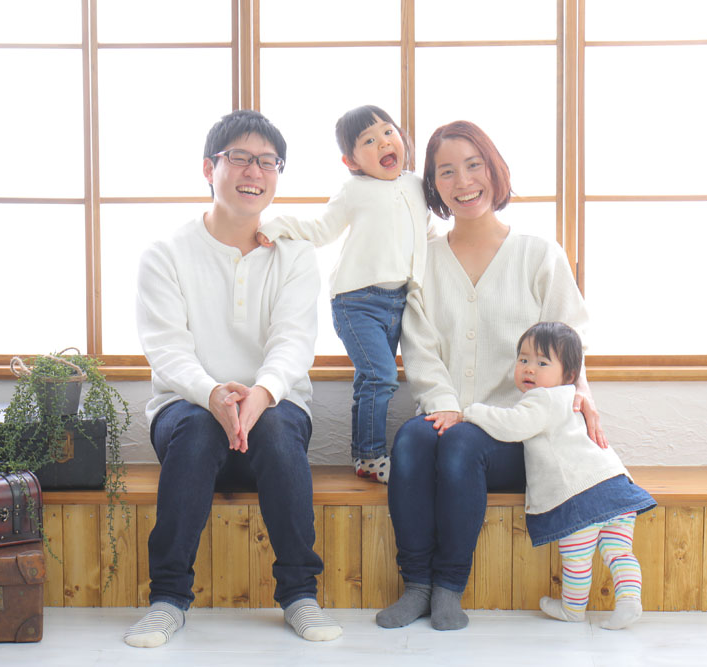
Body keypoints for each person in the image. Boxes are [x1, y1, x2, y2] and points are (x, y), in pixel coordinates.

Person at [377, 120, 607, 631]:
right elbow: (420, 350)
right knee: (411, 440)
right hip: (447, 417)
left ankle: (448, 588)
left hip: (519, 433)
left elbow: (570, 338)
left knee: (464, 444)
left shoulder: (538, 254)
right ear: (433, 185)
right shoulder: (425, 261)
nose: (463, 182)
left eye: (473, 165)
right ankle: (416, 585)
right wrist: (447, 407)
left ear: (493, 169)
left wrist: (582, 393)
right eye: (446, 172)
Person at [128, 109, 341, 648]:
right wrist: (213, 395)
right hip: (187, 410)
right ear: (209, 168)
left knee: (277, 426)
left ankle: (300, 595)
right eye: (241, 158)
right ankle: (167, 600)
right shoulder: (165, 255)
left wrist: (259, 395)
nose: (255, 171)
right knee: (198, 428)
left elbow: (293, 342)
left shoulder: (295, 256)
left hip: (273, 408)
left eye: (269, 162)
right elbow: (167, 350)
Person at [257, 105, 430, 484]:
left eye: (388, 132)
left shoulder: (416, 186)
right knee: (381, 376)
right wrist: (278, 225)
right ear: (351, 161)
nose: (383, 142)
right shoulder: (354, 191)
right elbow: (322, 230)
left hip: (400, 300)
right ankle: (370, 455)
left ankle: (366, 455)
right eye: (369, 141)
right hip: (357, 301)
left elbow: (427, 235)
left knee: (374, 378)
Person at [463, 321, 655, 630]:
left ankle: (572, 609)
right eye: (523, 359)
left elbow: (512, 425)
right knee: (619, 551)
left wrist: (471, 411)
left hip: (579, 494)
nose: (529, 368)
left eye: (542, 363)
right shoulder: (572, 399)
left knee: (576, 557)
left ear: (569, 375)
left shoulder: (542, 399)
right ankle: (630, 601)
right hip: (616, 486)